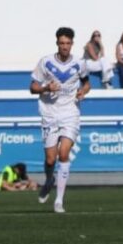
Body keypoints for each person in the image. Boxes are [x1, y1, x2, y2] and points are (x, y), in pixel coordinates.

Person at [30, 27, 90, 214]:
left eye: (68, 43)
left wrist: (83, 91)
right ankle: (49, 179)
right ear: (57, 43)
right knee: (50, 159)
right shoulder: (46, 62)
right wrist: (46, 88)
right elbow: (32, 87)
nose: (65, 46)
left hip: (70, 113)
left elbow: (87, 83)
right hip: (49, 113)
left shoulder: (79, 63)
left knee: (64, 153)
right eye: (62, 43)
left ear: (72, 44)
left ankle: (59, 201)